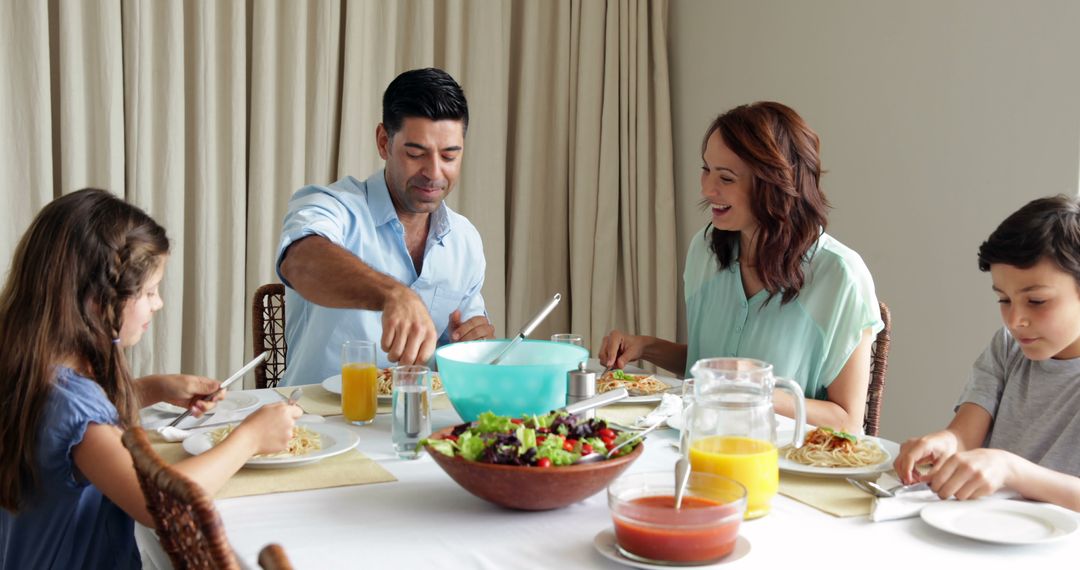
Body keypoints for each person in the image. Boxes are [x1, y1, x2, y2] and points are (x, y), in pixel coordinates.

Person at [0, 189, 302, 568]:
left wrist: (151, 389)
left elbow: (65, 434)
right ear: (97, 300)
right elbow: (159, 505)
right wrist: (250, 438)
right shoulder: (75, 407)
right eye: (149, 292)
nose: (157, 304)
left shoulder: (30, 370)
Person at [598, 102, 882, 433]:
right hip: (696, 447)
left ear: (775, 184)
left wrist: (754, 391)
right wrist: (646, 346)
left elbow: (846, 420)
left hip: (782, 466)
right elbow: (712, 366)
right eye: (706, 170)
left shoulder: (841, 276)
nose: (706, 189)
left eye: (726, 178)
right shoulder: (704, 251)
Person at [278, 67, 494, 386]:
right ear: (383, 142)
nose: (434, 173)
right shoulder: (331, 206)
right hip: (319, 421)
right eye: (415, 153)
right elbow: (301, 262)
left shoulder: (465, 240)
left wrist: (474, 346)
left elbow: (460, 347)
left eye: (449, 156)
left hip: (421, 422)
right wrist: (392, 293)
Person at [893, 195, 1080, 511]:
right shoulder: (1007, 346)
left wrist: (1011, 470)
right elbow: (964, 436)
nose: (1015, 320)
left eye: (1036, 301)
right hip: (987, 526)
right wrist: (944, 445)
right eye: (1004, 300)